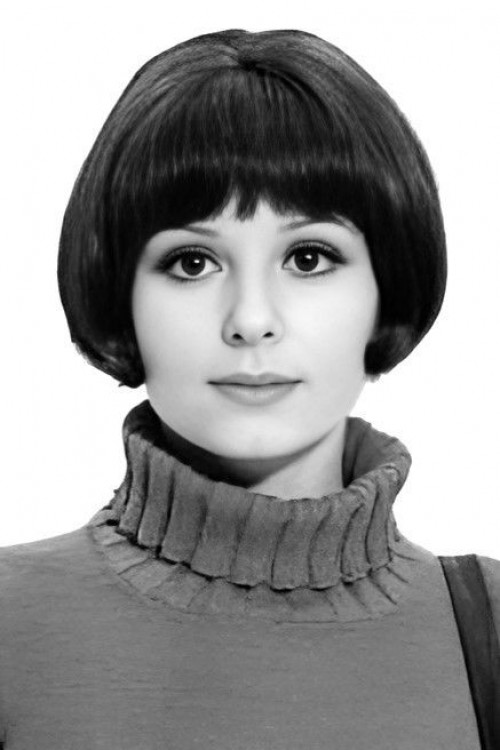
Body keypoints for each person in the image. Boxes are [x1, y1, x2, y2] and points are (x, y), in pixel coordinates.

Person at [0, 27, 498, 749]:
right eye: (192, 262)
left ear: (387, 288)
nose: (252, 319)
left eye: (309, 257)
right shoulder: (12, 628)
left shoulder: (486, 632)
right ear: (120, 296)